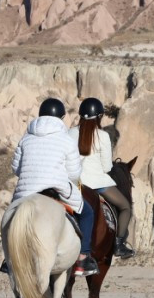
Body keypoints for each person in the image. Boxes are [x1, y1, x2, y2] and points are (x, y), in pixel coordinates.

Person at [11, 98, 99, 277]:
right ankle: (83, 257)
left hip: (27, 190)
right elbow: (74, 173)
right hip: (56, 188)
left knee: (12, 216)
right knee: (88, 213)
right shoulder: (66, 140)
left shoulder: (26, 138)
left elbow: (16, 169)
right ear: (61, 117)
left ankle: (8, 258)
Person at [68, 97, 135, 259]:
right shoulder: (103, 136)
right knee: (125, 207)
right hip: (97, 184)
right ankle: (119, 244)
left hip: (74, 183)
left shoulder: (70, 133)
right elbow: (107, 168)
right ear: (99, 117)